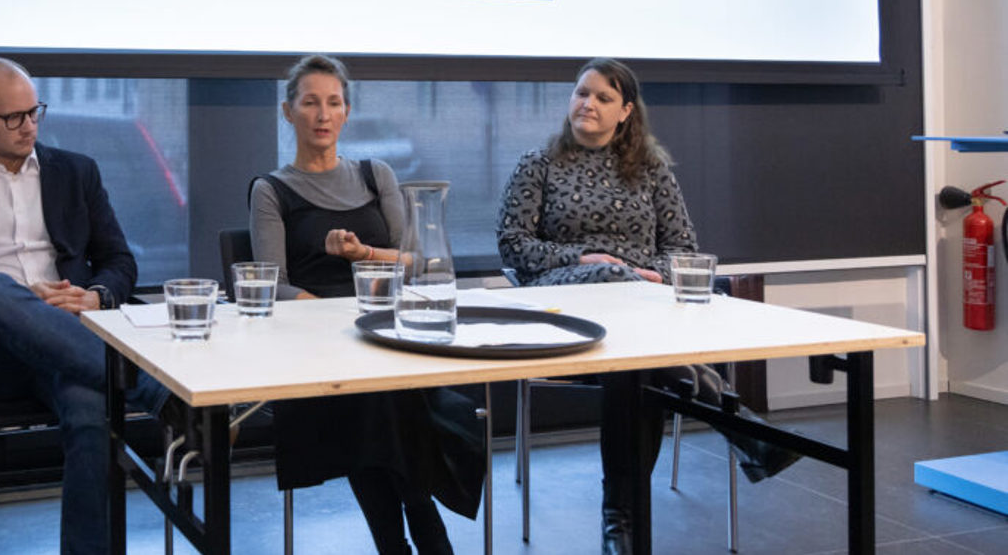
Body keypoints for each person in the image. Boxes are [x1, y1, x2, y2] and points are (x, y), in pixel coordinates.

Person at [495, 57, 799, 554]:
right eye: (581, 93)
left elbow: (682, 246)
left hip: (642, 310)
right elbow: (513, 246)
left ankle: (621, 523)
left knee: (635, 369)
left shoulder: (652, 171)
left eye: (602, 97)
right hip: (565, 306)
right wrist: (587, 257)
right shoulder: (538, 164)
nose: (586, 104)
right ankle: (742, 427)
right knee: (630, 331)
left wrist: (654, 274)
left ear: (626, 112)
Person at [0, 56, 172, 555]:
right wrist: (19, 298)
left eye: (34, 112)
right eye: (13, 117)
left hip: (69, 342)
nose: (28, 126)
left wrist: (94, 296)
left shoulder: (76, 172)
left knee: (93, 411)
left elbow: (119, 259)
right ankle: (152, 389)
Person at [249, 54, 483, 555]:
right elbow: (273, 284)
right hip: (320, 349)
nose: (322, 114)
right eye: (310, 103)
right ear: (288, 112)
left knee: (380, 405)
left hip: (386, 334)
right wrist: (326, 314)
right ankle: (429, 535)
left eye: (333, 103)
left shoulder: (377, 176)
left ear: (347, 112)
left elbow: (416, 260)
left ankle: (397, 545)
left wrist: (363, 254)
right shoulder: (271, 191)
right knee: (376, 402)